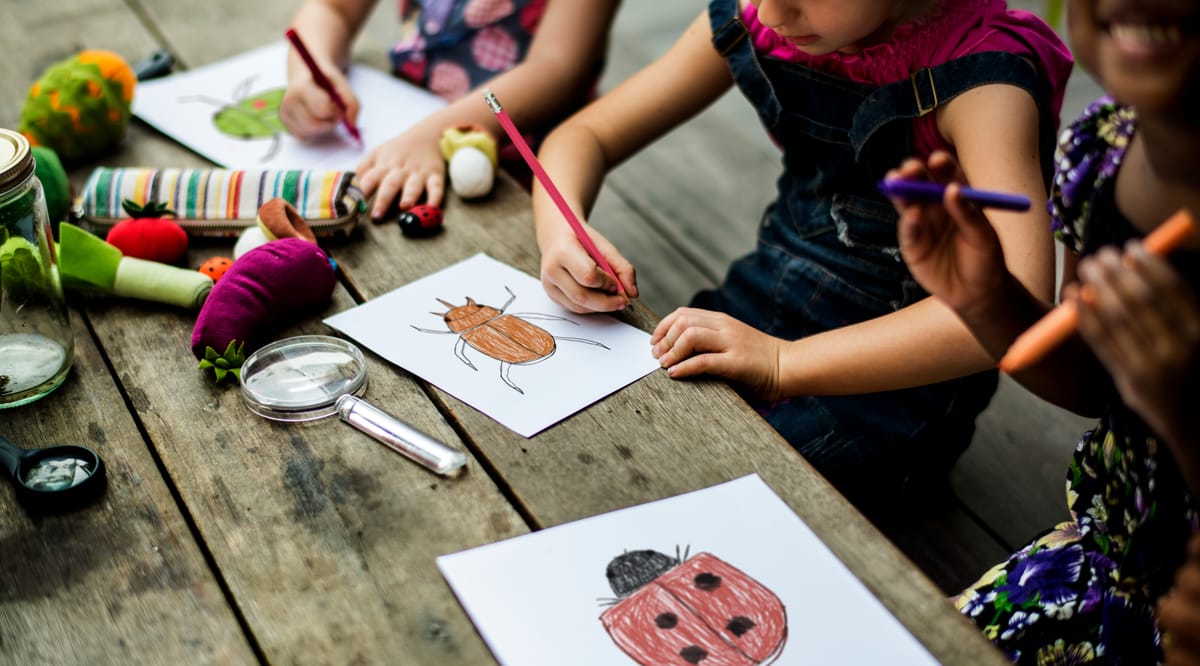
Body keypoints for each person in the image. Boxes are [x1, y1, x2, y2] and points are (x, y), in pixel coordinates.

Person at [531, 0, 1072, 513]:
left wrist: (782, 364)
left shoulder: (981, 86)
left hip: (891, 396)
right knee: (595, 427)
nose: (771, 12)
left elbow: (1013, 312)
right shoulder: (764, 21)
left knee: (696, 488)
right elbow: (586, 134)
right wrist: (563, 230)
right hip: (754, 310)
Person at [889, 0, 1200, 659]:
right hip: (1116, 556)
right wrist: (988, 301)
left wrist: (1184, 407)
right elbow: (1092, 381)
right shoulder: (1106, 151)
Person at [280, 0, 621, 219]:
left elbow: (559, 70)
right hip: (402, 127)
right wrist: (312, 70)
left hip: (517, 166)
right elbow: (332, 9)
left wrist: (433, 135)